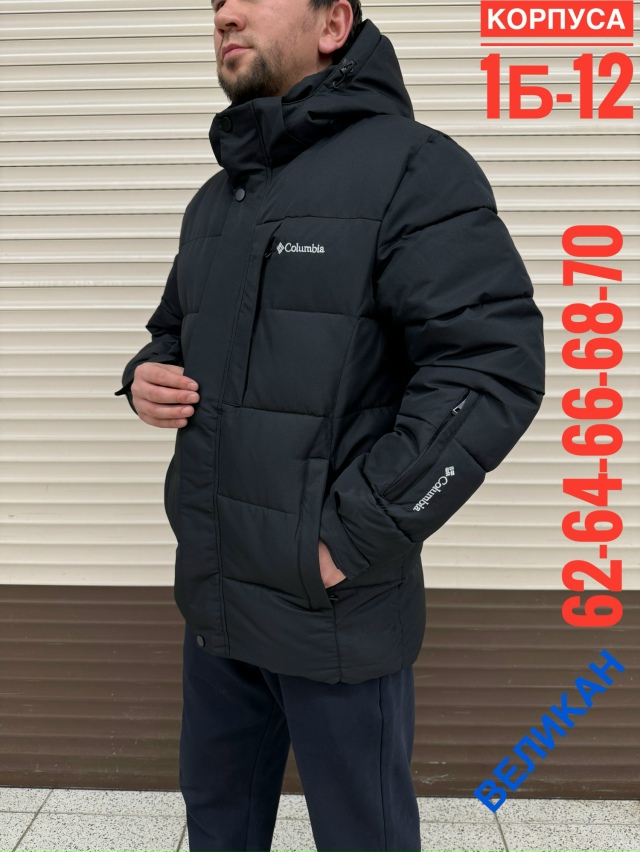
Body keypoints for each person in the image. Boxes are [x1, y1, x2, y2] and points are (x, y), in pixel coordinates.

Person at [114, 1, 545, 849]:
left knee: (362, 835)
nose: (225, 13)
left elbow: (491, 369)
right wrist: (143, 376)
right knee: (218, 824)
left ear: (333, 24)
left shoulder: (414, 169)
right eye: (215, 3)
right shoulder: (219, 198)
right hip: (218, 595)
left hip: (333, 610)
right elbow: (174, 329)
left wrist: (352, 538)